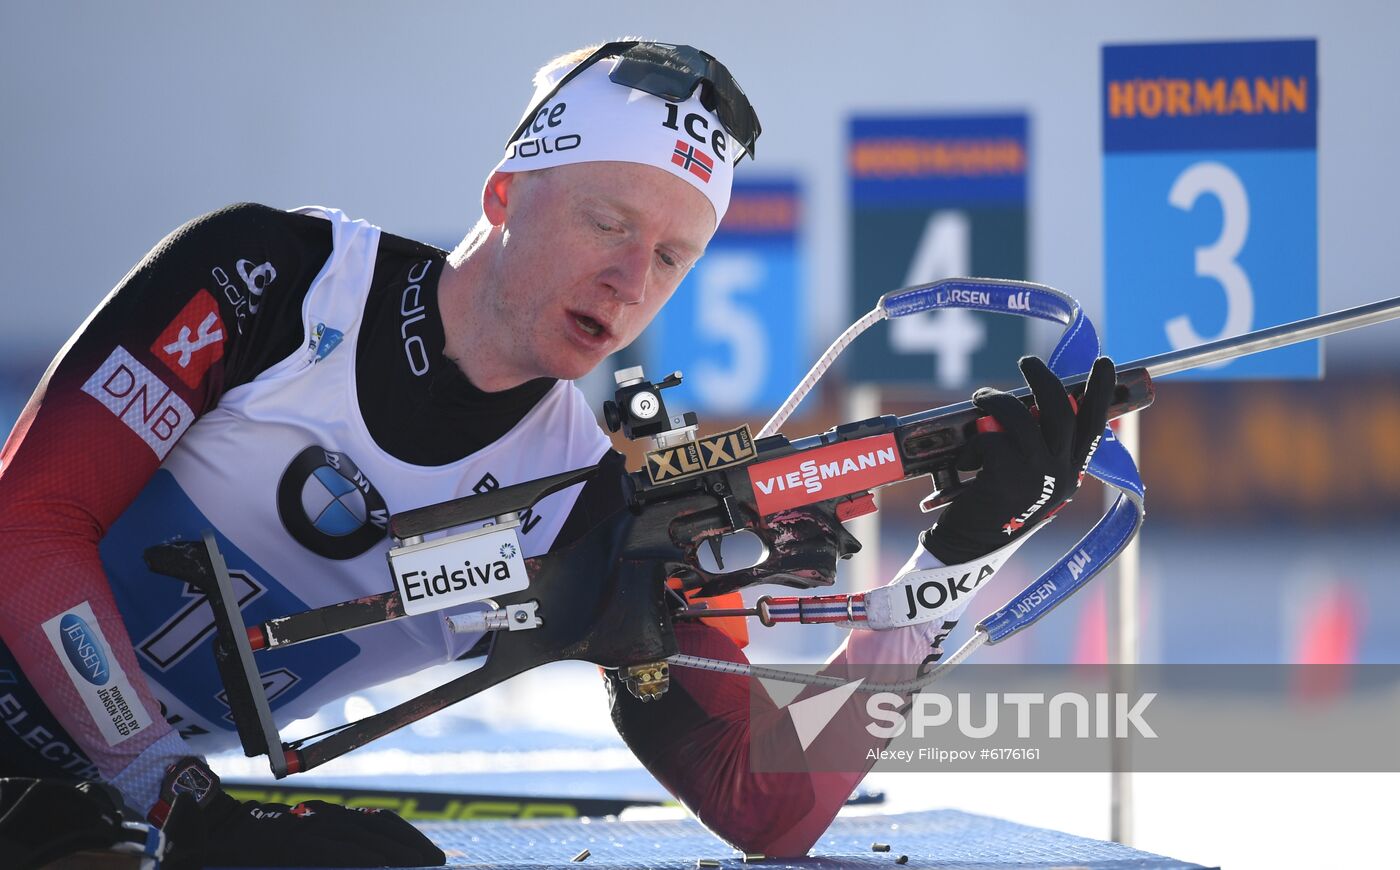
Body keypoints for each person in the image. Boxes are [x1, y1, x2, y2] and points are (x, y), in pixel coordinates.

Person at [0, 39, 1114, 867]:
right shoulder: (271, 284)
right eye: (605, 223)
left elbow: (765, 804)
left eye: (671, 257)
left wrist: (947, 571)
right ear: (504, 195)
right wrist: (171, 795)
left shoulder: (589, 509)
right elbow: (26, 524)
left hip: (77, 808)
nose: (630, 283)